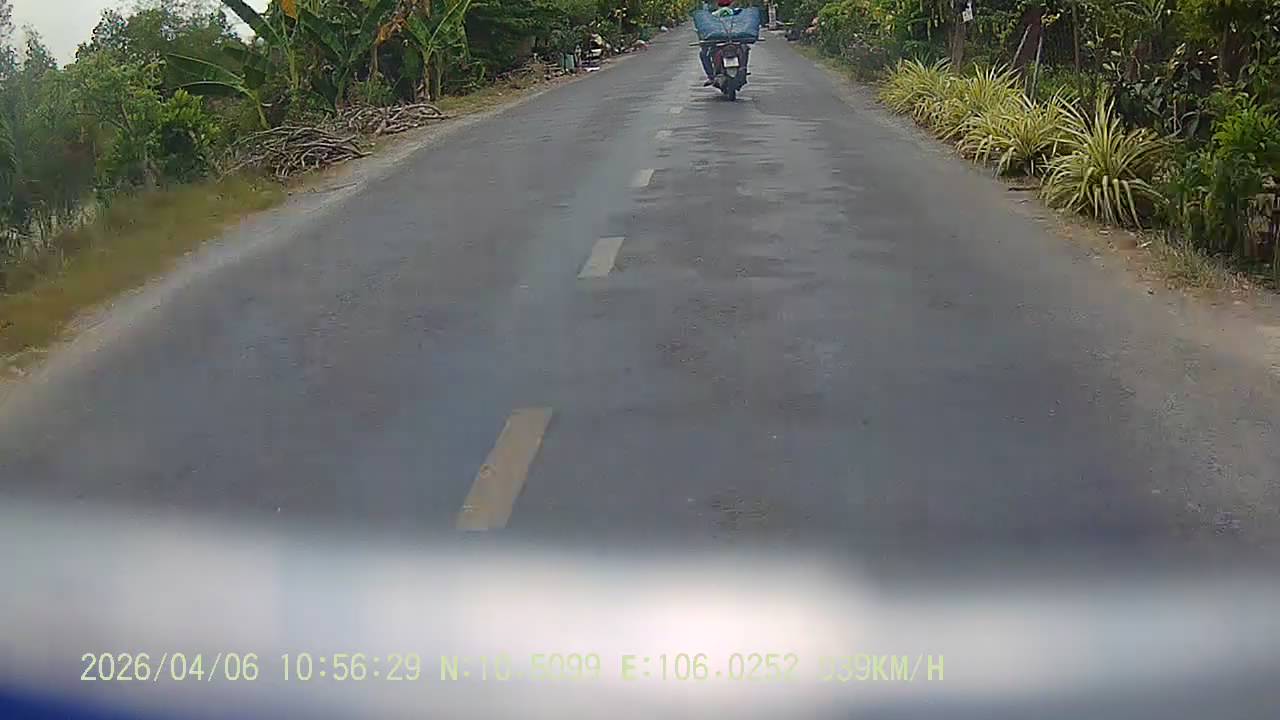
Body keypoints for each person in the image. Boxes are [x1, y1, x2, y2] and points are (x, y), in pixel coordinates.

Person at [701, 0, 740, 86]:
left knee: (704, 53)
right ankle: (742, 70)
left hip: (719, 40)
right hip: (733, 39)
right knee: (744, 48)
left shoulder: (713, 16)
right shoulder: (736, 13)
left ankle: (711, 77)